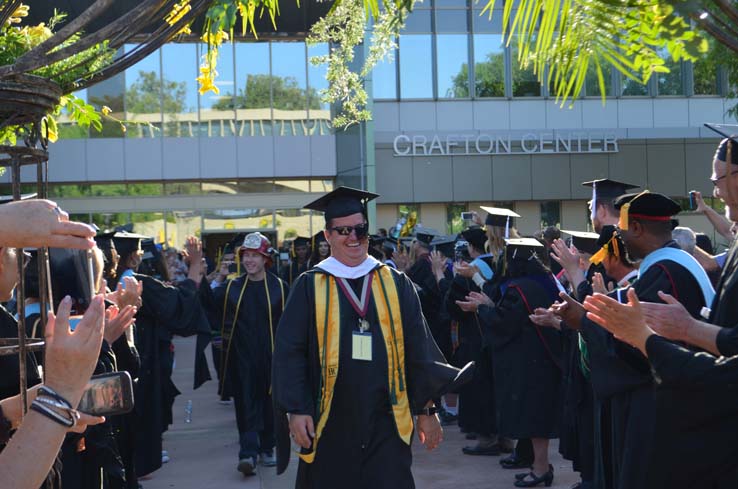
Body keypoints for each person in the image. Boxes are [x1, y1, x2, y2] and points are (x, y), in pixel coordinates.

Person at [272, 186, 472, 489]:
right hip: (330, 419)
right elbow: (290, 351)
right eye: (344, 231)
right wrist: (297, 408)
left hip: (387, 418)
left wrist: (427, 410)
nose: (353, 237)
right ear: (327, 236)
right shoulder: (309, 286)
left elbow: (419, 349)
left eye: (361, 229)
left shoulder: (395, 283)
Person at [551, 191, 714, 489]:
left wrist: (583, 321)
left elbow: (636, 345)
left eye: (623, 231)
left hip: (664, 409)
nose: (620, 239)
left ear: (637, 228)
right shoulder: (675, 264)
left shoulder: (666, 272)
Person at [458, 238, 563, 487]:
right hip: (543, 358)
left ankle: (540, 469)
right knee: (536, 415)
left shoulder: (520, 288)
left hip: (529, 363)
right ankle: (537, 465)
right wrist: (489, 305)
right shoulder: (546, 281)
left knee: (534, 417)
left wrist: (481, 309)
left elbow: (504, 323)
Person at [112, 232, 211, 481]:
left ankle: (137, 459)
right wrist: (195, 267)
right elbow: (176, 305)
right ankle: (140, 462)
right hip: (143, 359)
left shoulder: (108, 281)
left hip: (126, 357)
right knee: (143, 408)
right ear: (135, 257)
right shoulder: (135, 283)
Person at [200, 232, 288, 475]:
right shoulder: (232, 287)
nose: (249, 260)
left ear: (265, 259)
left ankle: (267, 447)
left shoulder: (280, 288)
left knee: (270, 405)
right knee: (245, 405)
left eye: (255, 256)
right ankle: (248, 453)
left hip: (271, 359)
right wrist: (219, 275)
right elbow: (207, 303)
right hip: (241, 359)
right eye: (246, 255)